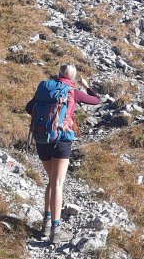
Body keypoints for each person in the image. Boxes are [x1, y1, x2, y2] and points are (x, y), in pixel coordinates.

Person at [30, 63, 100, 244]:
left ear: (58, 73)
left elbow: (29, 108)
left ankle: (45, 226)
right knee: (57, 184)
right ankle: (56, 231)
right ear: (73, 77)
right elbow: (96, 100)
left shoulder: (45, 87)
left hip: (42, 139)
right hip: (61, 140)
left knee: (51, 181)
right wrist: (86, 87)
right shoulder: (72, 92)